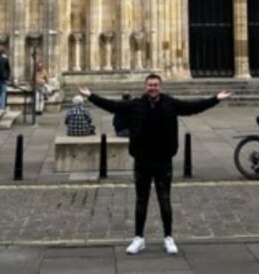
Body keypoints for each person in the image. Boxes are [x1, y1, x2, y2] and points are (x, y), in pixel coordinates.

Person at [80, 74, 233, 256]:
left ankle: (168, 237)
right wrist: (91, 96)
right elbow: (113, 106)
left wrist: (215, 99)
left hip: (163, 160)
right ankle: (139, 238)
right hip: (142, 160)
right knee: (141, 201)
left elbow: (193, 107)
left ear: (160, 86)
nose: (152, 87)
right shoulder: (137, 105)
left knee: (165, 200)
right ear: (146, 87)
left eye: (155, 85)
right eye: (150, 85)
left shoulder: (170, 104)